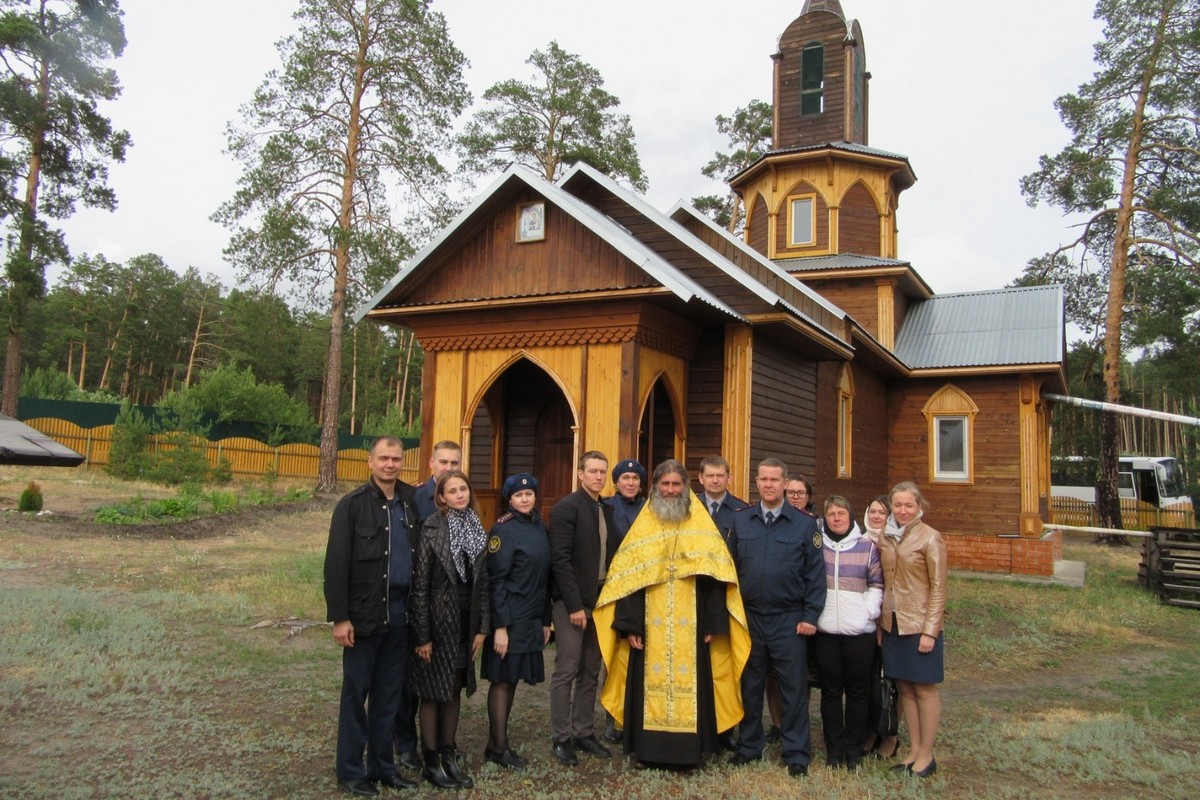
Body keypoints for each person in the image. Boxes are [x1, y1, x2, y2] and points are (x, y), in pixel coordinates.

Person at [594, 460, 751, 769]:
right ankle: (648, 752)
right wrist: (630, 626)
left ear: (685, 487)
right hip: (649, 626)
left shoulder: (700, 523)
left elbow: (716, 577)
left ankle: (689, 753)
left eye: (675, 484)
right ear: (655, 487)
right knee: (646, 688)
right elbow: (628, 579)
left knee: (694, 686)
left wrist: (713, 622)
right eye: (664, 485)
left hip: (692, 625)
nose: (670, 490)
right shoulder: (644, 524)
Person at [323, 436, 419, 796]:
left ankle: (383, 767)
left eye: (396, 459)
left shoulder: (411, 504)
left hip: (400, 616)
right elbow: (335, 566)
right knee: (356, 696)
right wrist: (340, 617)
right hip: (363, 617)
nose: (390, 464)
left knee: (389, 697)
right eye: (384, 458)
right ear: (370, 461)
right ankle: (350, 771)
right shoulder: (352, 507)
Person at [727, 458, 825, 778]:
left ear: (785, 483)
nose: (769, 485)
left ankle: (796, 751)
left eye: (775, 479)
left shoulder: (804, 524)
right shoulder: (741, 521)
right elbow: (730, 571)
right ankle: (749, 746)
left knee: (792, 689)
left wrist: (810, 615)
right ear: (757, 482)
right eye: (764, 479)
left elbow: (815, 575)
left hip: (789, 619)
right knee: (750, 685)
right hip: (750, 617)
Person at [410, 470, 489, 789]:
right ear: (440, 497)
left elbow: (483, 583)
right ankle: (430, 761)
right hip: (437, 622)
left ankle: (448, 754)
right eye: (452, 491)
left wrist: (482, 627)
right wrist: (422, 636)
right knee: (432, 691)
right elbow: (419, 586)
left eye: (463, 489)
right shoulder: (431, 528)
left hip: (465, 623)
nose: (460, 494)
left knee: (454, 686)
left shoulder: (477, 528)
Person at [548, 450, 619, 766]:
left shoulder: (605, 508)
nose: (599, 476)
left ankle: (583, 731)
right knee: (567, 669)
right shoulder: (567, 507)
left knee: (591, 670)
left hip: (600, 602)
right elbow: (560, 559)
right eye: (593, 471)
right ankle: (561, 738)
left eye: (603, 472)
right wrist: (574, 605)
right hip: (572, 605)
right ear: (580, 474)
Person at [397, 439, 462, 770]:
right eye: (444, 462)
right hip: (413, 597)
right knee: (411, 681)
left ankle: (439, 743)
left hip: (446, 608)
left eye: (454, 463)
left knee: (441, 679)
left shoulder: (463, 502)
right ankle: (407, 745)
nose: (448, 468)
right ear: (431, 464)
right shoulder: (411, 500)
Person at [482, 473, 552, 772]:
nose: (526, 499)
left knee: (512, 681)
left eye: (530, 494)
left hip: (531, 616)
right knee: (502, 680)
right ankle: (498, 748)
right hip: (509, 617)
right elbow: (495, 581)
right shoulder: (503, 530)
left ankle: (495, 743)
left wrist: (546, 621)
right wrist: (499, 627)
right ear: (509, 499)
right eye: (519, 495)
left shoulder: (539, 526)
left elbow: (547, 578)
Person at [877, 481, 947, 779]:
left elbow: (939, 588)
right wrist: (882, 624)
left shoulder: (931, 538)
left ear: (919, 507)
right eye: (897, 505)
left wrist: (931, 631)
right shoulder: (887, 536)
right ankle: (914, 750)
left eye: (909, 505)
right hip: (893, 625)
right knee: (905, 688)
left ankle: (927, 754)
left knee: (924, 688)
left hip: (920, 626)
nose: (902, 510)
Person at [814, 496, 883, 770]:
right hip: (827, 631)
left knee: (857, 692)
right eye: (831, 514)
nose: (836, 518)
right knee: (830, 692)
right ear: (825, 517)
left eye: (841, 513)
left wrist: (867, 612)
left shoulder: (867, 546)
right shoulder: (818, 545)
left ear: (850, 515)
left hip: (859, 633)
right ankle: (834, 749)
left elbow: (877, 583)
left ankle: (853, 749)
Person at [601, 458, 647, 744]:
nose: (630, 482)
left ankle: (639, 714)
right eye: (625, 477)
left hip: (644, 589)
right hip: (615, 588)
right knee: (614, 656)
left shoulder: (650, 510)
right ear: (616, 482)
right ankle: (612, 716)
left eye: (635, 478)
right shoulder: (606, 508)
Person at [861, 495, 901, 759]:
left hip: (890, 619)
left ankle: (891, 735)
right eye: (872, 511)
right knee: (869, 679)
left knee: (892, 680)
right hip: (864, 619)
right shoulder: (860, 541)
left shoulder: (895, 543)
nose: (876, 516)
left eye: (882, 512)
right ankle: (871, 730)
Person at [697, 455, 746, 542]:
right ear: (701, 478)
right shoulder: (690, 507)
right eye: (710, 476)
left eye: (720, 476)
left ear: (729, 478)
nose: (715, 481)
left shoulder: (742, 510)